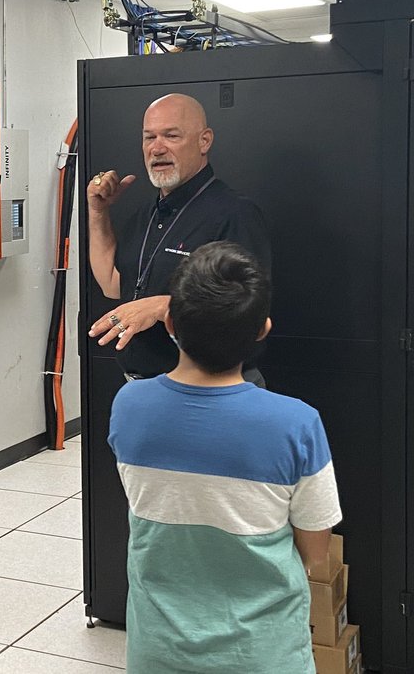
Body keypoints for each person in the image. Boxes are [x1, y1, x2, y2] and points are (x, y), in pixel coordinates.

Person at [108, 242, 341, 672]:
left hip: (159, 652)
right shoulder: (297, 424)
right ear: (262, 330)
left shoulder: (129, 405)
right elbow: (315, 552)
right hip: (265, 655)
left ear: (171, 323)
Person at [86, 92, 271, 380]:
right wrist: (97, 213)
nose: (157, 148)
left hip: (210, 390)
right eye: (149, 138)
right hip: (143, 387)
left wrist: (163, 306)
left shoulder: (234, 213)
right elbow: (112, 284)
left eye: (171, 136)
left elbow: (245, 312)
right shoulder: (146, 214)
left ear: (204, 141)